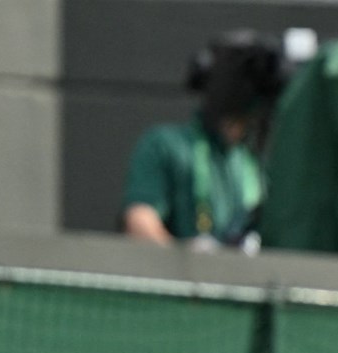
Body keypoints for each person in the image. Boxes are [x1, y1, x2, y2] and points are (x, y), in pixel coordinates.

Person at [120, 31, 281, 250]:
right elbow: (140, 220)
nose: (239, 126)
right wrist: (191, 268)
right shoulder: (166, 145)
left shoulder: (257, 162)